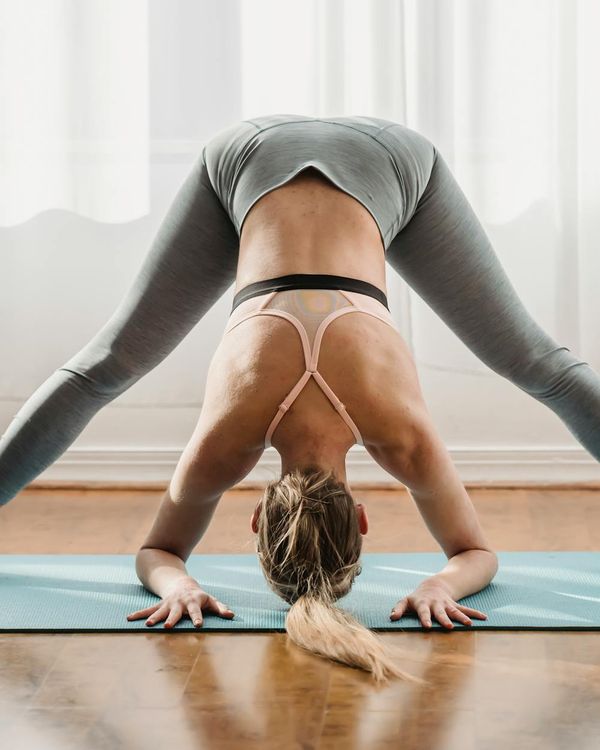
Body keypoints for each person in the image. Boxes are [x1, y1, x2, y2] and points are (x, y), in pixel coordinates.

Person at [2, 114, 599, 685]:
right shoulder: (226, 443)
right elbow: (157, 551)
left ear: (362, 520)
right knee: (103, 369)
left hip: (393, 160)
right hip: (249, 157)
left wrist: (440, 585)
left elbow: (476, 554)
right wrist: (176, 585)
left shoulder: (402, 439)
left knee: (539, 367)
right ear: (259, 516)